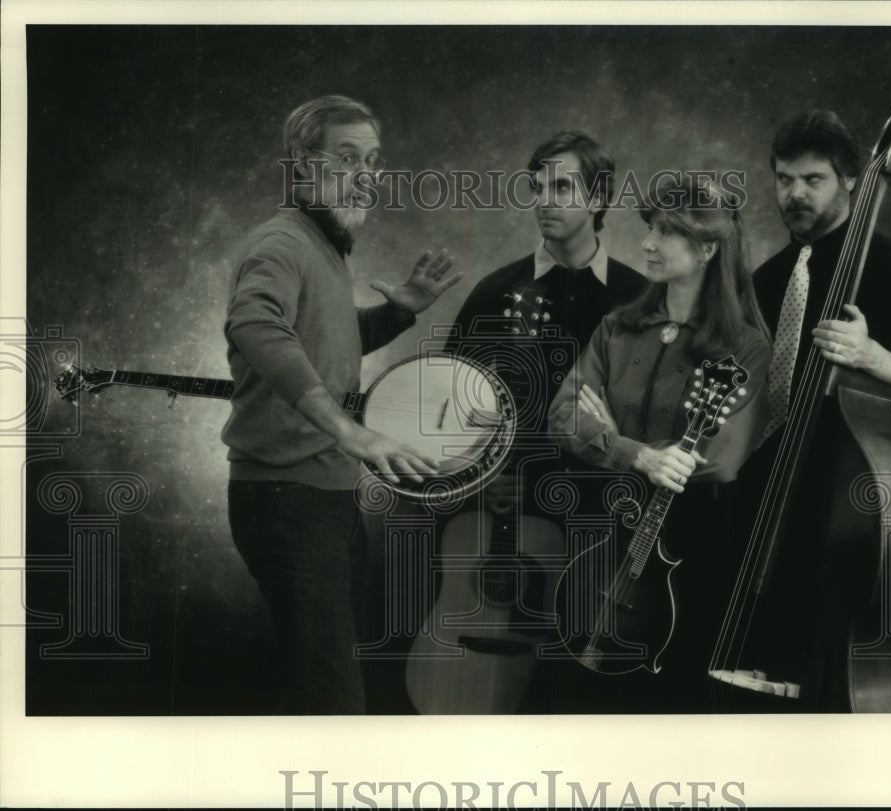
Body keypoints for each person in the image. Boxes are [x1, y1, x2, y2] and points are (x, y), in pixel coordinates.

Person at [221, 94, 461, 714]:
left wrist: (400, 311)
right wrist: (351, 433)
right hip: (284, 502)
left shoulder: (324, 246)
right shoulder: (282, 243)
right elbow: (255, 325)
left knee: (328, 685)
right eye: (346, 157)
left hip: (326, 499)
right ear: (302, 165)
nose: (365, 174)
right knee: (333, 703)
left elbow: (326, 340)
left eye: (374, 160)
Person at [432, 132, 647, 712]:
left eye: (562, 186)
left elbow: (658, 417)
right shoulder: (495, 292)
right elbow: (450, 410)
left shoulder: (642, 297)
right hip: (508, 515)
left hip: (604, 521)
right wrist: (480, 479)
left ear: (599, 196)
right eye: (537, 187)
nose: (544, 200)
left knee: (581, 692)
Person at [735, 109, 891, 710]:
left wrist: (871, 355)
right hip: (768, 506)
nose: (794, 193)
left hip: (852, 509)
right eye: (783, 179)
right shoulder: (765, 281)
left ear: (852, 179)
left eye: (813, 179)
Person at [547, 174, 771, 711]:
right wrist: (638, 454)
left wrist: (603, 434)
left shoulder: (745, 345)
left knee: (665, 695)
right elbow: (561, 415)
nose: (647, 243)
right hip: (601, 530)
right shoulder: (618, 328)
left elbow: (717, 461)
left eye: (666, 232)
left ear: (707, 248)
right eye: (649, 228)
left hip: (690, 547)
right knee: (575, 686)